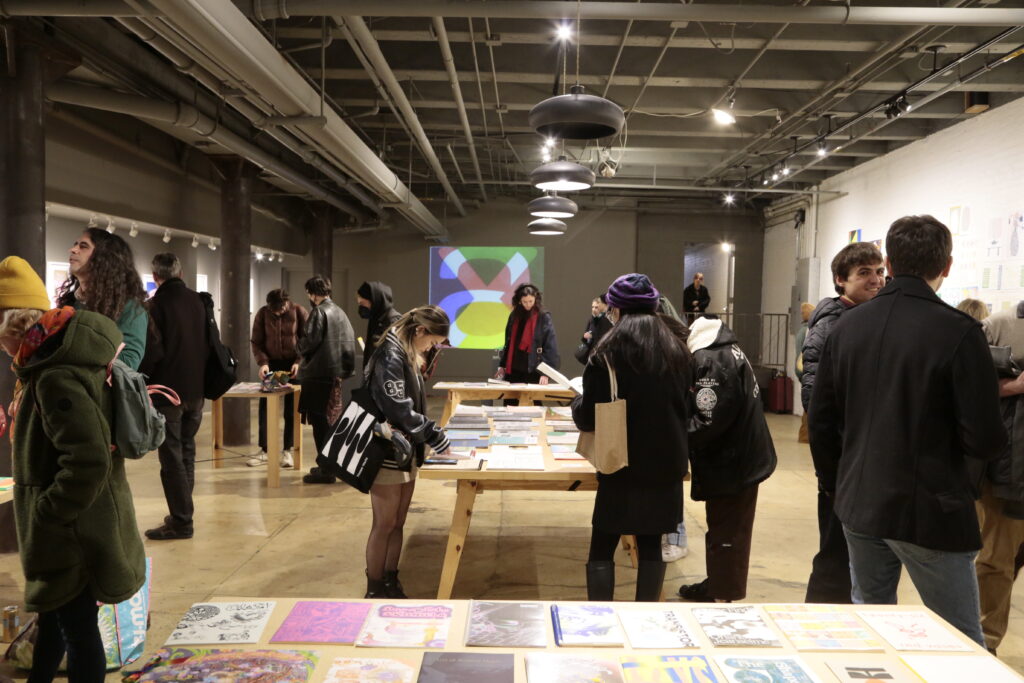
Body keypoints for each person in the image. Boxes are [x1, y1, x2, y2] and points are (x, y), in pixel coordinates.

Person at [809, 215, 1007, 646]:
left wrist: (835, 485)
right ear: (948, 265)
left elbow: (821, 422)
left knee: (872, 629)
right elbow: (985, 438)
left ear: (890, 265)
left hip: (860, 503)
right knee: (959, 641)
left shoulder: (847, 329)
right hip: (932, 510)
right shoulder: (959, 332)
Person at [0, 256, 146, 682]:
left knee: (78, 631)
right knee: (56, 622)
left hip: (72, 533)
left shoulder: (53, 376)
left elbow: (88, 458)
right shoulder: (42, 366)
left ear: (14, 325)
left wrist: (50, 512)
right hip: (69, 530)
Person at [572, 273, 693, 602]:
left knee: (603, 543)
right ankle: (646, 615)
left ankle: (602, 616)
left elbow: (588, 416)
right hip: (667, 462)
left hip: (621, 460)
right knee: (652, 542)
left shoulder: (606, 354)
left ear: (616, 310)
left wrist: (577, 401)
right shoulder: (678, 350)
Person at [800, 242, 885, 604]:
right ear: (840, 280)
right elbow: (816, 399)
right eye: (864, 273)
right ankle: (819, 620)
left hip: (860, 457)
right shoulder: (833, 323)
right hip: (843, 458)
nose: (876, 280)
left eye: (879, 271)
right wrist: (832, 469)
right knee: (836, 550)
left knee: (854, 552)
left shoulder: (865, 317)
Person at [677, 316, 777, 602]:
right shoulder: (727, 350)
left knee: (727, 531)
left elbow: (708, 420)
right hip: (741, 456)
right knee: (728, 527)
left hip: (734, 461)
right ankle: (719, 583)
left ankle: (723, 595)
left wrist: (675, 438)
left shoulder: (710, 361)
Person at [364, 306, 452, 598]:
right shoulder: (390, 354)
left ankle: (391, 579)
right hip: (387, 450)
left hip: (406, 450)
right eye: (431, 342)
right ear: (420, 331)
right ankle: (374, 588)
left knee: (398, 521)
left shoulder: (405, 351)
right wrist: (432, 433)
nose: (430, 347)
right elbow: (398, 407)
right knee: (385, 523)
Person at [138, 253, 208, 541]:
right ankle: (182, 512)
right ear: (179, 272)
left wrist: (139, 380)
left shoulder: (154, 306)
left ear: (156, 277)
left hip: (167, 394)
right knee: (187, 451)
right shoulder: (199, 302)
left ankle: (181, 521)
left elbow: (153, 352)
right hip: (196, 390)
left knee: (171, 459)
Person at [975, 298, 1024, 653]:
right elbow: (967, 387)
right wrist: (1013, 387)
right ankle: (984, 642)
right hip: (1009, 466)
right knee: (996, 559)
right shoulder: (999, 325)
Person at [56, 227, 148, 369]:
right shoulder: (71, 302)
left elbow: (128, 361)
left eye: (83, 246)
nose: (73, 249)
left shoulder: (130, 308)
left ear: (104, 257)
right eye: (75, 244)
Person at [298, 275, 356, 485]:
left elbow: (309, 343)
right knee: (331, 423)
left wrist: (298, 346)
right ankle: (329, 465)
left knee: (320, 425)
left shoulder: (319, 312)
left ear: (312, 294)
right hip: (335, 376)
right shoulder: (340, 312)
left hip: (319, 376)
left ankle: (326, 470)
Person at [249, 288, 308, 468]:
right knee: (265, 407)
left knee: (292, 409)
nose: (278, 312)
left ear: (286, 303)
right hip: (271, 366)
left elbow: (307, 340)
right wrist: (263, 363)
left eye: (280, 309)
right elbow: (256, 342)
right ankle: (265, 450)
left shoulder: (299, 311)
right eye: (274, 310)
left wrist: (299, 361)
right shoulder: (262, 314)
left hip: (293, 367)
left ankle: (287, 451)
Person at [496, 283, 559, 385]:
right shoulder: (514, 315)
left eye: (531, 301)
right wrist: (502, 365)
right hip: (514, 368)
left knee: (533, 400)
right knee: (511, 400)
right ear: (519, 301)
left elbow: (550, 346)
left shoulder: (543, 316)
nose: (528, 304)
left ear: (536, 299)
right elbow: (508, 342)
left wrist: (546, 373)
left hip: (534, 369)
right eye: (525, 302)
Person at [356, 281, 401, 369]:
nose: (361, 308)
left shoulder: (393, 321)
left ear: (375, 301)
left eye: (362, 304)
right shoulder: (375, 319)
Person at [795, 302, 814, 444]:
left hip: (803, 371)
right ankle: (805, 436)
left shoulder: (802, 331)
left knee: (807, 405)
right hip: (808, 371)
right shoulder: (809, 331)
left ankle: (805, 435)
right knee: (810, 406)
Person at [574, 294, 613, 365]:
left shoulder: (608, 319)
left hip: (602, 355)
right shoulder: (591, 319)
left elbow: (604, 337)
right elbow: (585, 337)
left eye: (596, 307)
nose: (594, 309)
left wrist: (592, 336)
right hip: (591, 355)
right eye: (592, 307)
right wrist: (586, 337)